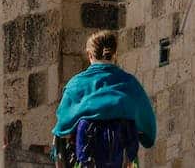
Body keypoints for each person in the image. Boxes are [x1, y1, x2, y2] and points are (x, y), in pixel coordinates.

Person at [53, 31, 157, 168]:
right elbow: (149, 129)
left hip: (87, 159)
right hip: (121, 160)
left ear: (90, 55)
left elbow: (62, 128)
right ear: (115, 55)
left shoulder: (75, 84)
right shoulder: (130, 84)